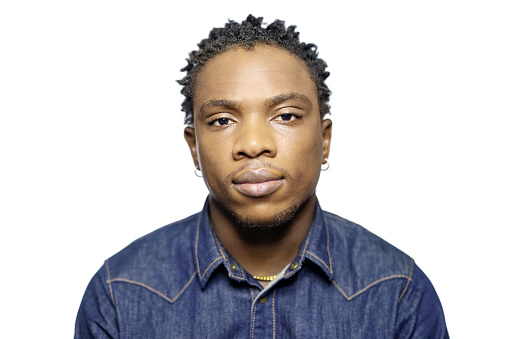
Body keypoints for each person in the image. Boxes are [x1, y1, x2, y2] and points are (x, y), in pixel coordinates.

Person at [75, 15, 448, 338]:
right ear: (194, 147)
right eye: (222, 120)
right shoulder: (120, 293)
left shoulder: (397, 291)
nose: (253, 144)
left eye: (285, 115)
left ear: (324, 139)